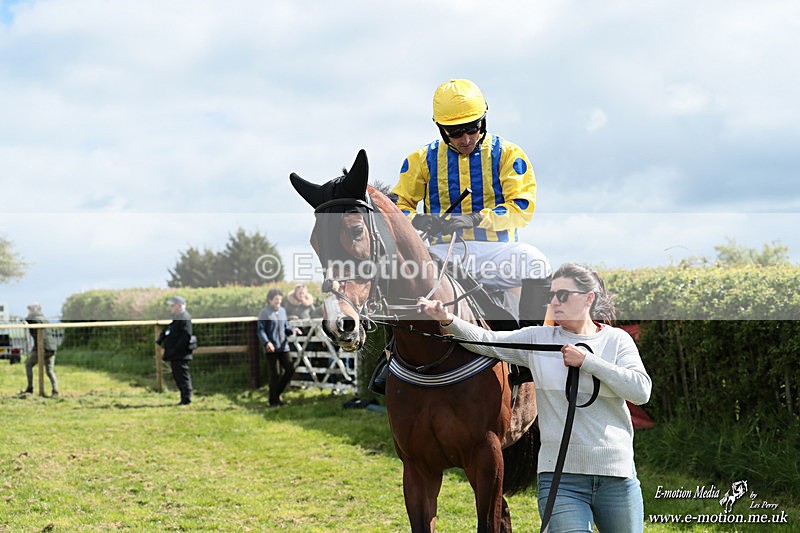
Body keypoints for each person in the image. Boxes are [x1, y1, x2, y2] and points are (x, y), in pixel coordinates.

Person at [418, 262, 652, 532]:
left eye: (563, 295)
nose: (554, 302)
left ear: (589, 298)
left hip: (617, 476)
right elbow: (485, 340)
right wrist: (448, 320)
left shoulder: (617, 341)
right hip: (561, 480)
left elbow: (640, 391)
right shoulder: (537, 338)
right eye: (551, 295)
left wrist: (587, 361)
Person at [391, 78, 551, 301]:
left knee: (536, 262)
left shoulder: (508, 153)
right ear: (441, 129)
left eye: (472, 128)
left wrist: (476, 219)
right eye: (455, 132)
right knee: (394, 273)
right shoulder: (420, 160)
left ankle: (531, 335)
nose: (466, 139)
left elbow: (521, 209)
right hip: (444, 253)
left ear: (483, 121)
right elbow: (395, 209)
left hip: (498, 252)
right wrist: (418, 219)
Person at [258, 288, 301, 408]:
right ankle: (273, 402)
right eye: (276, 300)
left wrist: (293, 330)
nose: (278, 302)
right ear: (270, 300)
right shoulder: (264, 313)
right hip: (271, 348)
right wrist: (267, 343)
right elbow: (261, 330)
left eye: (280, 300)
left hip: (283, 347)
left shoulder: (282, 311)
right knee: (275, 374)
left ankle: (276, 395)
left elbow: (285, 328)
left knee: (290, 369)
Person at [156, 295, 194, 406]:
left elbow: (186, 336)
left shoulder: (184, 317)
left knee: (182, 375)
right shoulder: (178, 317)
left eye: (173, 305)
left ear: (180, 305)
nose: (171, 307)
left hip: (180, 353)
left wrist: (176, 349)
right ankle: (184, 398)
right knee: (178, 375)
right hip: (176, 353)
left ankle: (186, 399)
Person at [19, 303, 59, 398]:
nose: (28, 312)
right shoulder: (44, 319)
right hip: (52, 348)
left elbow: (30, 324)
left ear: (33, 311)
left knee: (28, 364)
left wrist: (24, 320)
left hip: (42, 348)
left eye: (29, 310)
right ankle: (55, 390)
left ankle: (30, 388)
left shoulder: (34, 319)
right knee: (49, 370)